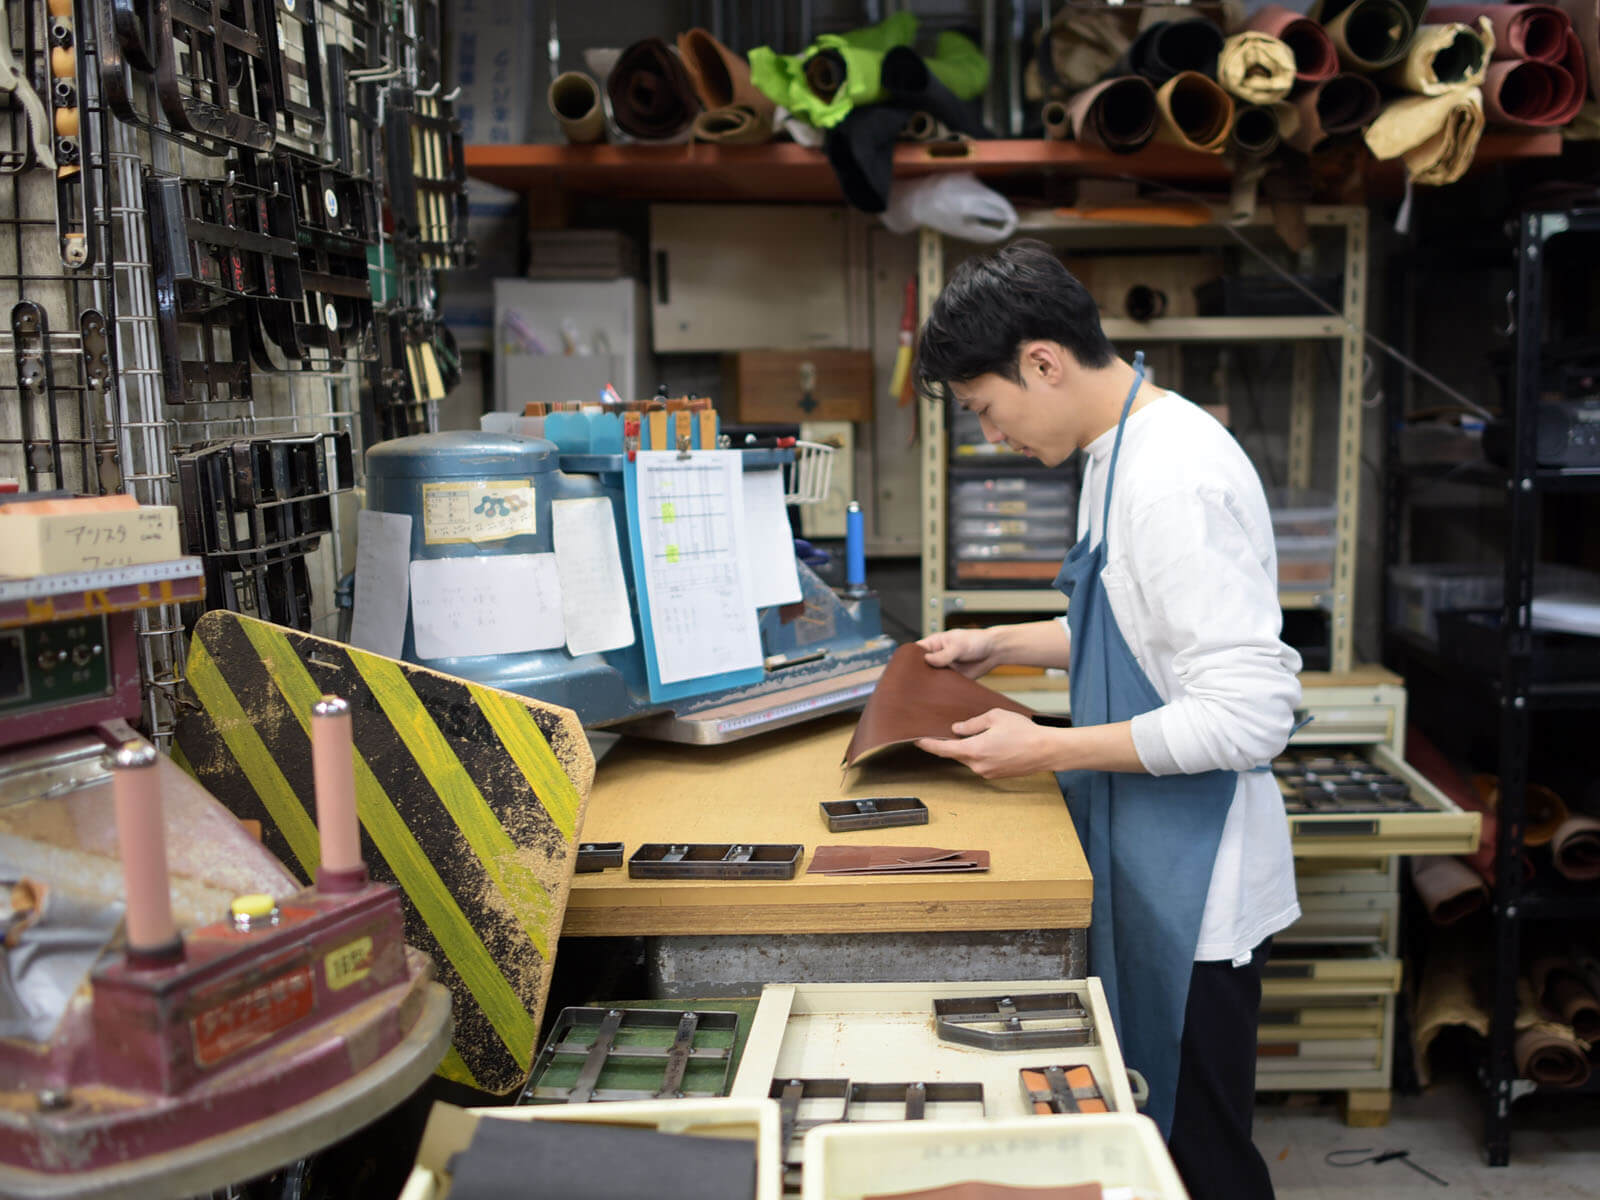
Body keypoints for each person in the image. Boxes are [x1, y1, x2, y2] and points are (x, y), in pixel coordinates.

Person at [911, 239, 1301, 1200]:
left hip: (1196, 882)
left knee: (1200, 1153)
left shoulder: (1172, 481)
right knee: (1149, 1133)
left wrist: (1045, 747)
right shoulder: (1115, 449)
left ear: (1041, 362)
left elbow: (1250, 716)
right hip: (1145, 847)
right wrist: (997, 644)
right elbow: (1131, 627)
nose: (992, 435)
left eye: (986, 409)